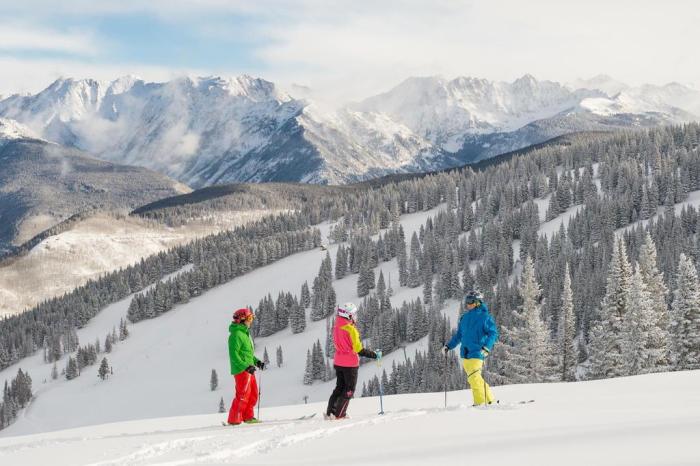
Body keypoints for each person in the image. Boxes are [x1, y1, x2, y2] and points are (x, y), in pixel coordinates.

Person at [442, 291, 499, 406]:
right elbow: (459, 335)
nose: (467, 303)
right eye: (466, 301)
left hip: (478, 352)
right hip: (465, 354)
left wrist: (487, 347)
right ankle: (488, 400)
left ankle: (481, 402)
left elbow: (493, 333)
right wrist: (449, 346)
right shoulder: (464, 318)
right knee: (474, 379)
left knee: (474, 378)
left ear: (478, 302)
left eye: (470, 301)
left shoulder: (485, 317)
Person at [326, 302, 380, 419]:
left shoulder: (336, 327)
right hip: (349, 364)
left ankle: (330, 412)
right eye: (354, 314)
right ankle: (339, 415)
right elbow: (359, 349)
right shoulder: (351, 329)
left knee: (339, 387)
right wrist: (375, 355)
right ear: (348, 315)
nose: (355, 316)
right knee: (349, 390)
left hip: (338, 362)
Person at [227, 308, 265, 425]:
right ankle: (234, 420)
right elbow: (234, 355)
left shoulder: (244, 334)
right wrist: (245, 367)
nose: (251, 321)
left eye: (251, 318)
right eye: (249, 318)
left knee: (253, 393)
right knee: (243, 395)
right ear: (242, 319)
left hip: (249, 369)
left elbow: (247, 354)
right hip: (241, 370)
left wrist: (256, 362)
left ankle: (248, 417)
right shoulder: (236, 335)